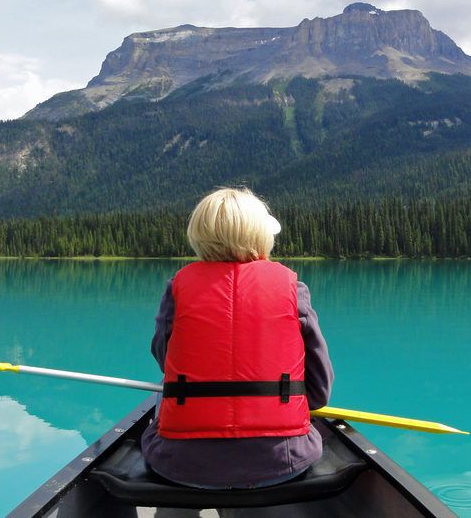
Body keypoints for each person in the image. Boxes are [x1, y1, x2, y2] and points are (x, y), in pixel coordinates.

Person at [141, 187, 334, 489]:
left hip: (180, 464)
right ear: (261, 235)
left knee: (165, 390)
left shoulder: (177, 289)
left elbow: (166, 361)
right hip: (284, 461)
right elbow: (319, 392)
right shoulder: (293, 290)